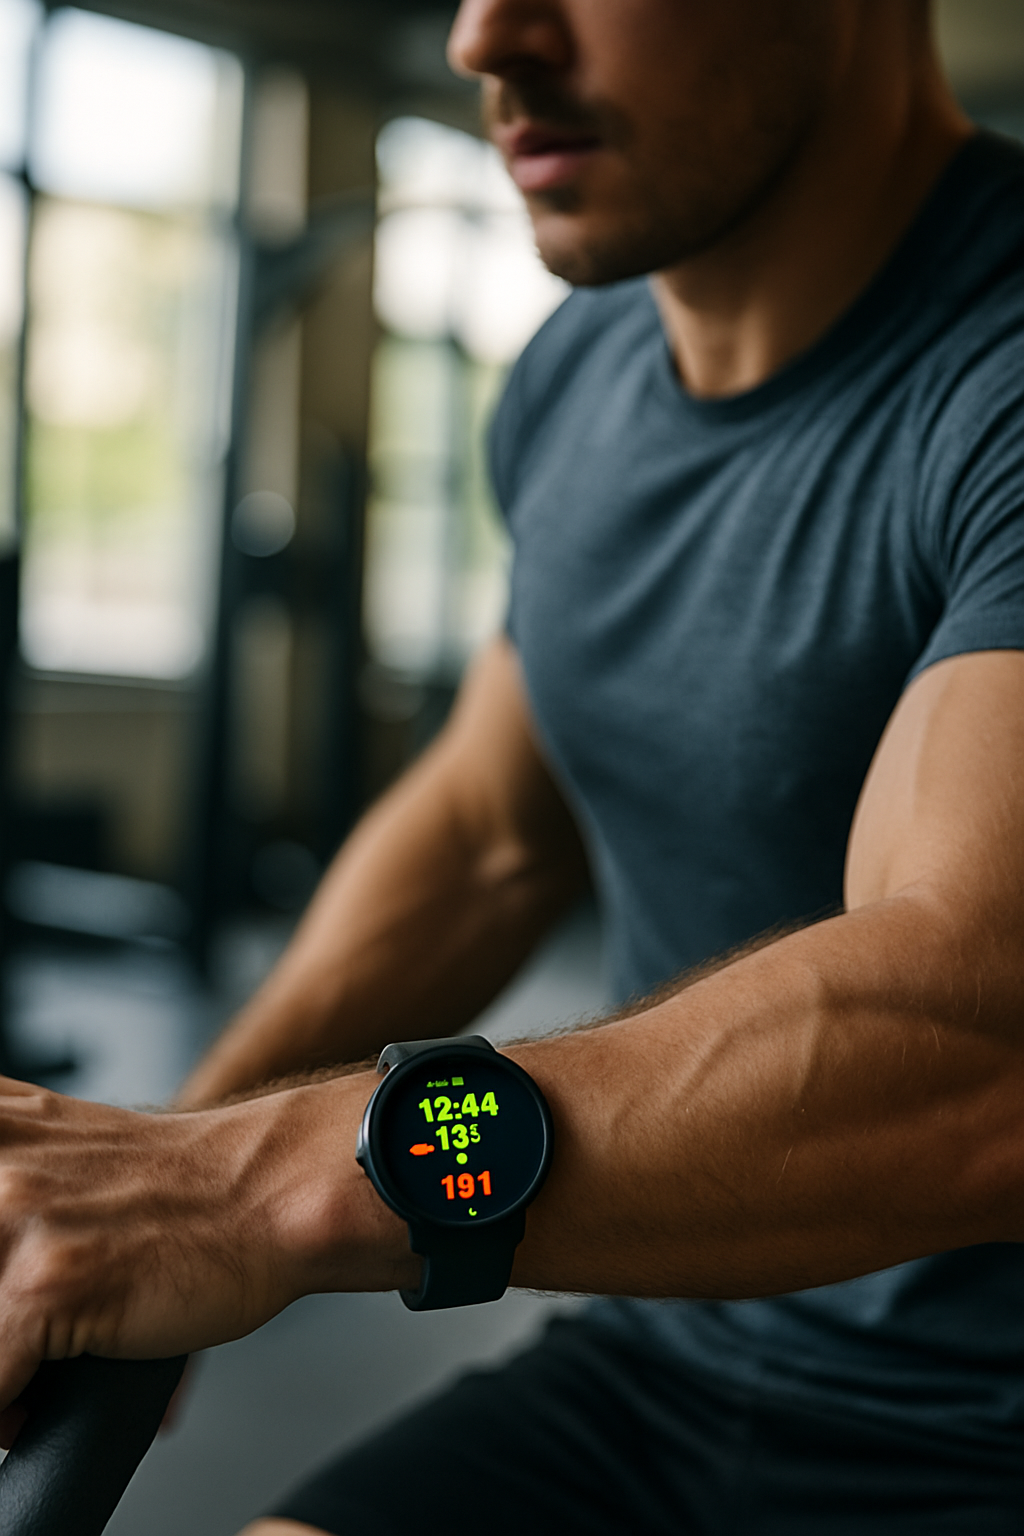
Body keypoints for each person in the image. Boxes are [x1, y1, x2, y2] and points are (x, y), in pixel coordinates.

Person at [2, 0, 1024, 1529]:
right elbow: (488, 832)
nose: (486, 36)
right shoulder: (578, 372)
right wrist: (164, 1173)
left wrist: (249, 1188)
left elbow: (980, 1043)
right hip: (672, 1361)